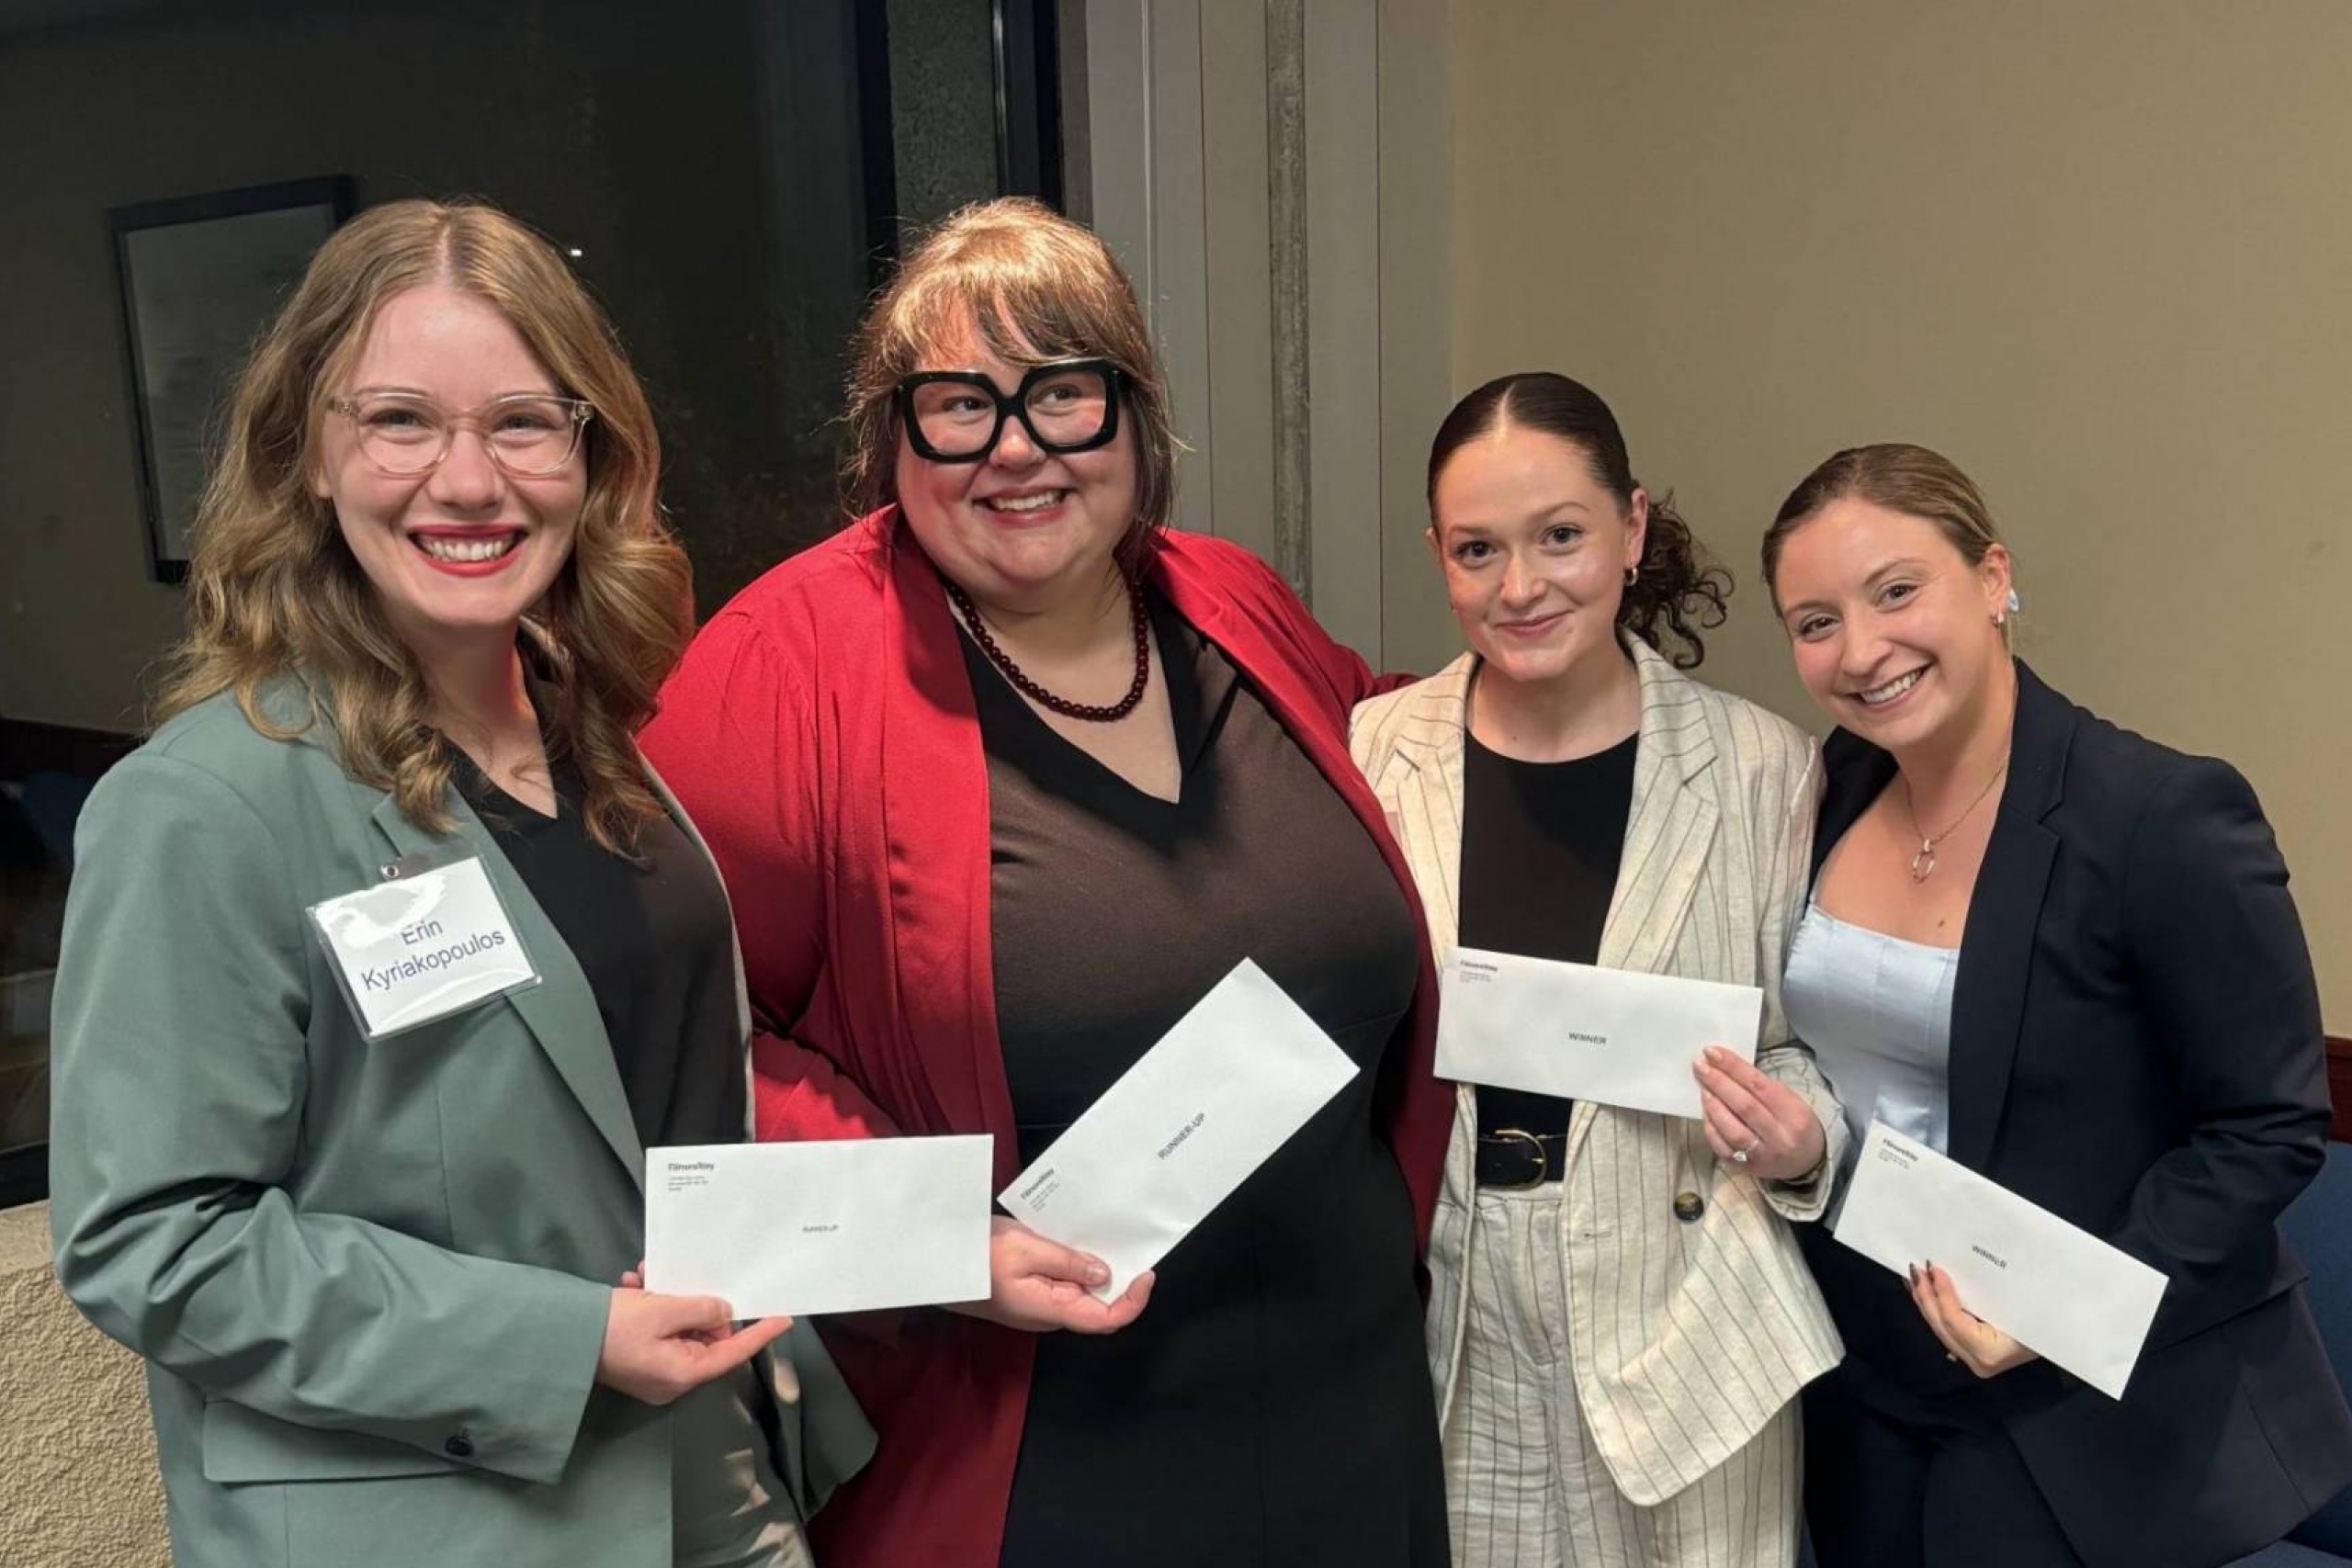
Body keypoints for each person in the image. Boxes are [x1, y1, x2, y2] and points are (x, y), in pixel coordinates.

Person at [47, 198, 872, 1568]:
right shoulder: (207, 806)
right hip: (445, 1521)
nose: (468, 479)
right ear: (309, 454)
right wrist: (562, 1339)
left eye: (523, 422)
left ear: (588, 455)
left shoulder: (598, 744)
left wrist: (952, 1248)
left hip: (708, 1480)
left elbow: (645, 1127)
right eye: (401, 421)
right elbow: (154, 1242)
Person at [639, 196, 1455, 1568]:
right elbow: (678, 1037)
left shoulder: (1230, 600)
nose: (1016, 449)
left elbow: (1417, 762)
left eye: (1063, 395)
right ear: (892, 439)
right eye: (959, 406)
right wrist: (938, 1230)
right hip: (1034, 1445)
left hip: (1351, 1403)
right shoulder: (782, 669)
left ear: (1135, 419)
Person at [1764, 442, 2352, 1567]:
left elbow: (2266, 1129)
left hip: (2071, 1405)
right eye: (1814, 620)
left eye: (1896, 591)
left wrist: (2057, 1310)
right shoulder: (1825, 787)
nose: (1862, 649)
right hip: (1861, 1365)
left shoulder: (2160, 818)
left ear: (1992, 580)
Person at [1351, 372, 1843, 1568]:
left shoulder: (1761, 766)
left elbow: (1807, 1047)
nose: (1520, 586)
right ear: (1438, 554)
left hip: (1690, 1337)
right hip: (1456, 1330)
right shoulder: (1372, 754)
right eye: (1478, 549)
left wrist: (1805, 1139)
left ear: (1630, 527)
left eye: (1560, 535)